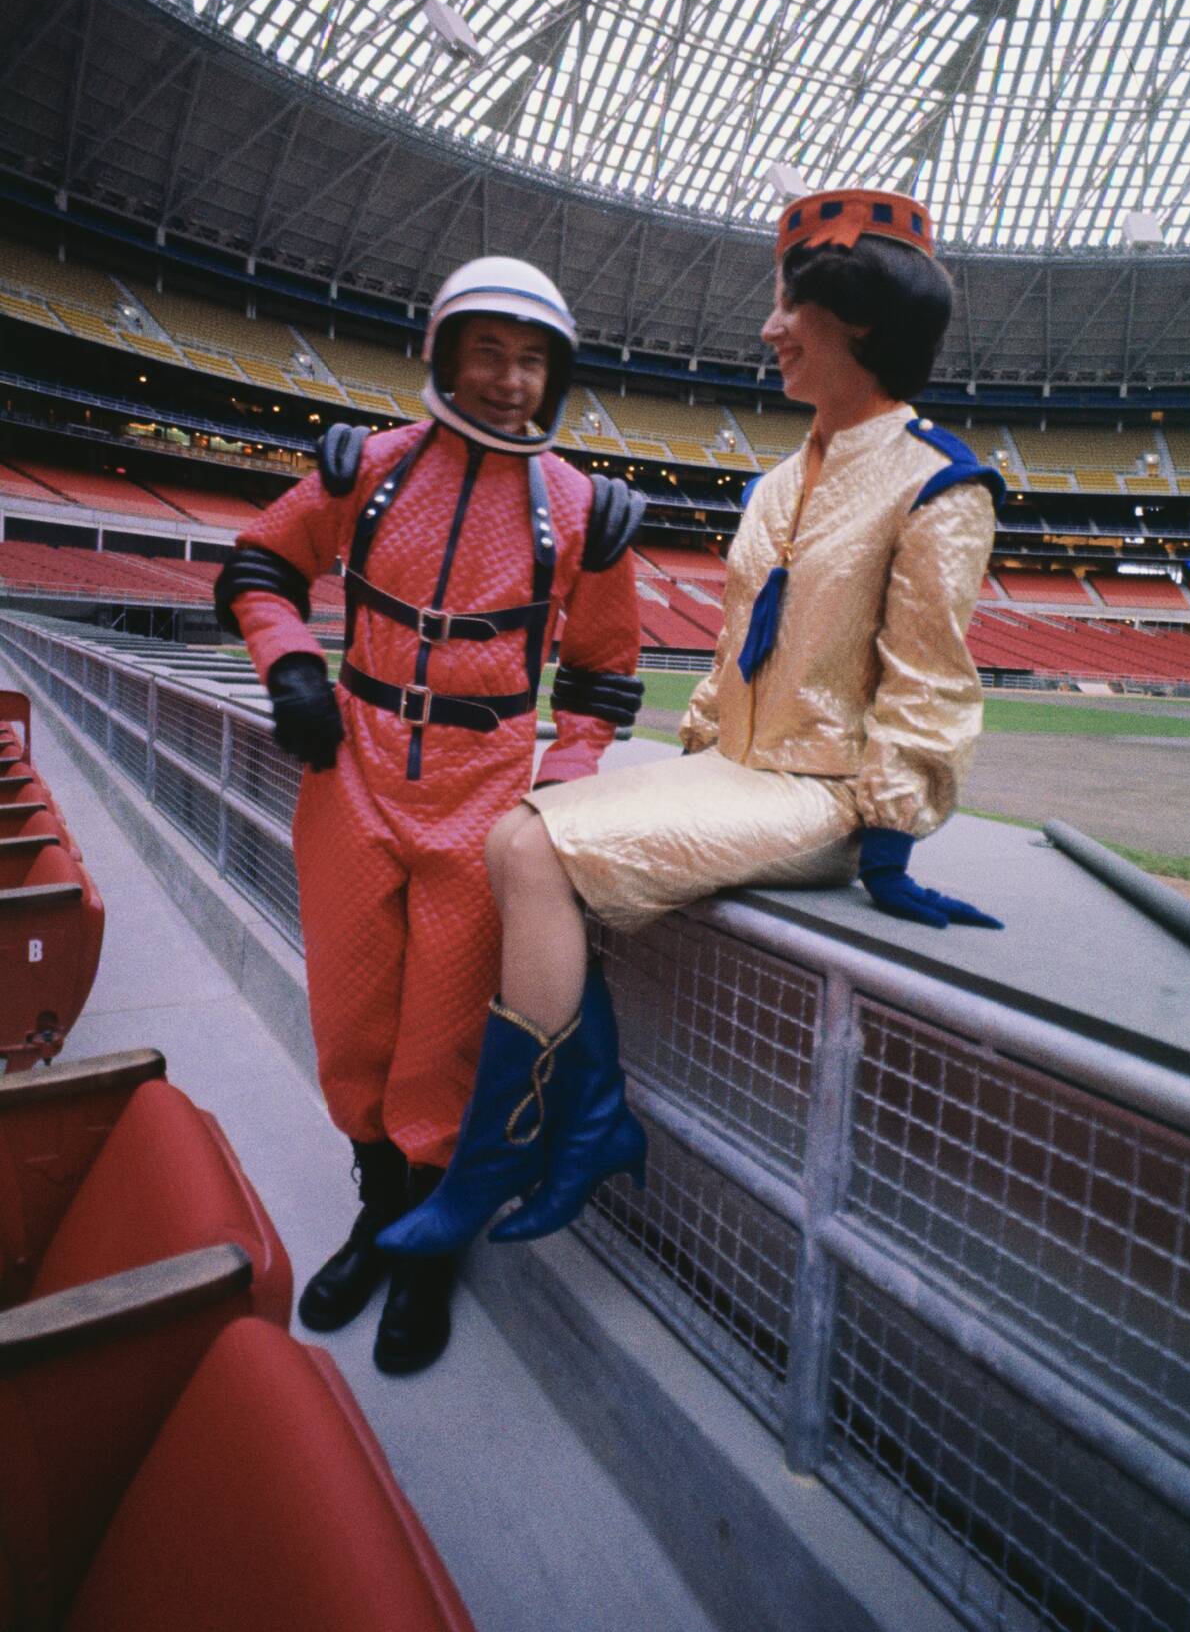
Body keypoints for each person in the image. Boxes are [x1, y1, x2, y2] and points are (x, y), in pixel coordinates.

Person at [380, 186, 1006, 1260]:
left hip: (825, 799)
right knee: (520, 836)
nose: (769, 332)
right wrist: (683, 768)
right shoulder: (774, 486)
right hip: (737, 775)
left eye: (790, 312)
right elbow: (727, 663)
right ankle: (583, 1125)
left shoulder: (940, 485)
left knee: (533, 843)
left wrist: (891, 835)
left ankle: (501, 1161)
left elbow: (931, 681)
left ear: (858, 328)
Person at [213, 257, 644, 1371]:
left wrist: (564, 779)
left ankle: (427, 1244)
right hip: (348, 772)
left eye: (533, 359)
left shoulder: (585, 511)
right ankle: (374, 1212)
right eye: (490, 353)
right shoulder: (373, 468)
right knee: (353, 1012)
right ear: (445, 354)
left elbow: (601, 679)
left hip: (487, 793)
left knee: (447, 1036)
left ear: (558, 375)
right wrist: (291, 666)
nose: (511, 381)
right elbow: (258, 561)